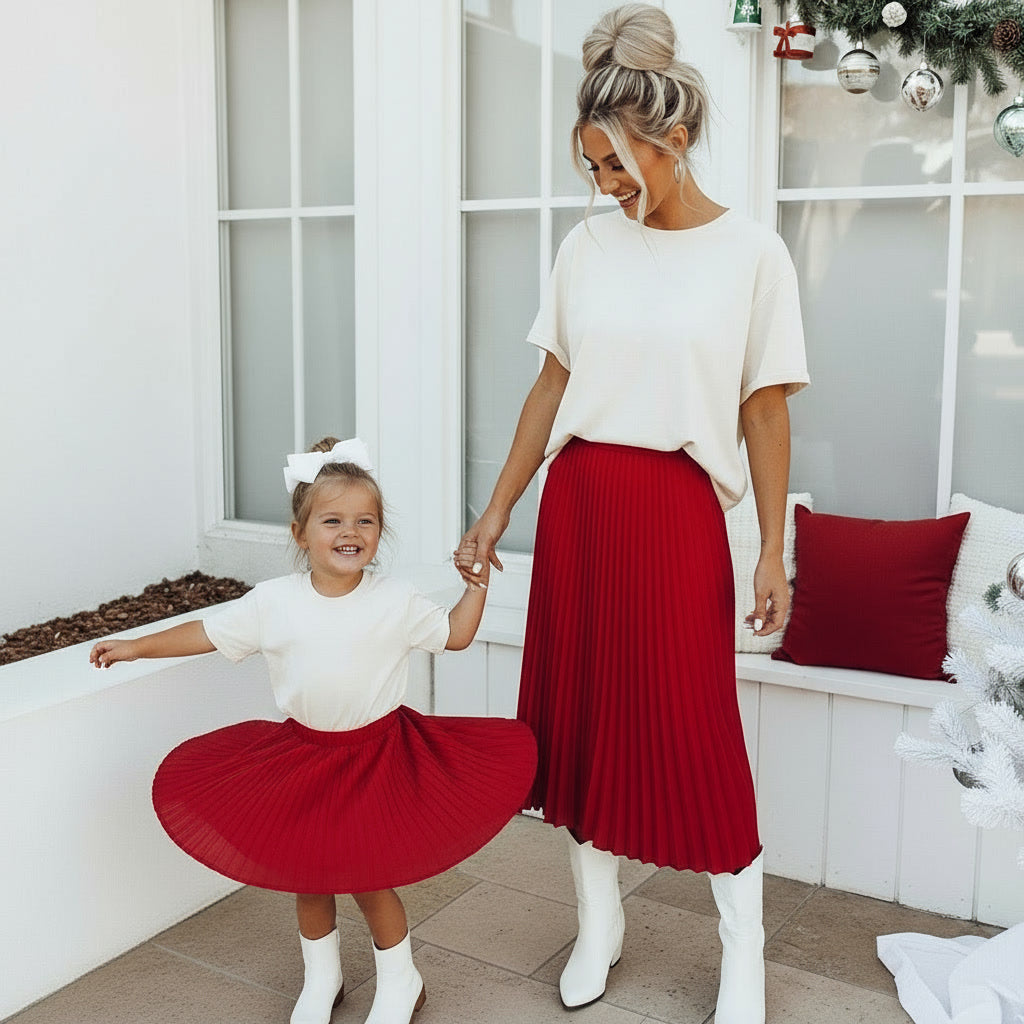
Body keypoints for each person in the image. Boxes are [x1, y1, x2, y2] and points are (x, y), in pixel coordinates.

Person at [454, 5, 809, 1023]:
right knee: (579, 724)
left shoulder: (752, 256)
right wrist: (495, 510)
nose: (605, 185)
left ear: (675, 139)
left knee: (694, 730)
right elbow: (551, 385)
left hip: (676, 512)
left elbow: (764, 408)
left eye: (617, 163)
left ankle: (741, 951)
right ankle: (598, 921)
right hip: (579, 510)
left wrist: (770, 548)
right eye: (592, 166)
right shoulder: (586, 247)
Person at [91, 437, 537, 1024]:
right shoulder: (273, 602)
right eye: (332, 521)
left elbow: (454, 636)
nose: (350, 531)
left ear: (379, 531)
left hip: (378, 757)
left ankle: (401, 982)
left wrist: (476, 585)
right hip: (306, 756)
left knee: (371, 879)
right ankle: (322, 978)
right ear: (301, 534)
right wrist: (136, 646)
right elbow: (206, 632)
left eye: (365, 520)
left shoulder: (394, 599)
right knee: (308, 876)